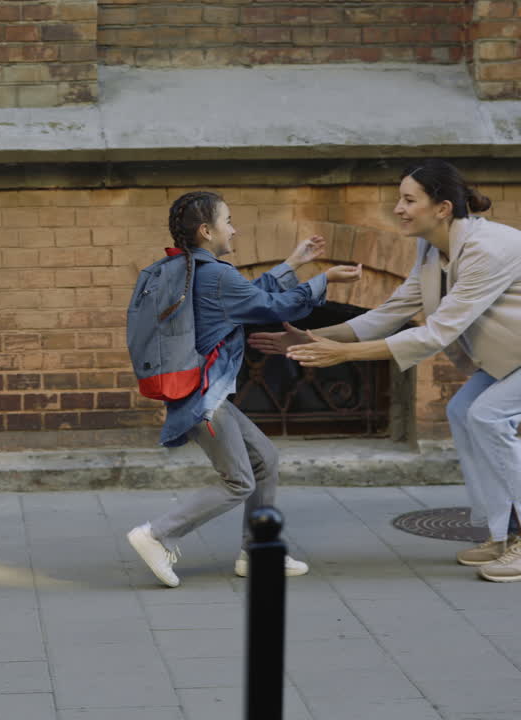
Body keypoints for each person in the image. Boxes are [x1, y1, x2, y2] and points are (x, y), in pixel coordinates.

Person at [250, 159, 521, 583]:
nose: (398, 209)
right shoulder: (431, 248)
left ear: (442, 208)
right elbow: (392, 312)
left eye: (409, 200)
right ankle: (503, 536)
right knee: (463, 410)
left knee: (490, 416)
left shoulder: (485, 250)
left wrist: (345, 354)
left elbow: (436, 334)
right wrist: (309, 339)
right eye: (400, 199)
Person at [126, 190, 362, 588]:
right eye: (228, 221)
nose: (234, 230)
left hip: (206, 391)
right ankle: (157, 535)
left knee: (264, 459)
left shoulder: (190, 268)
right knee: (238, 480)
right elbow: (273, 307)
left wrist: (294, 263)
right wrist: (323, 280)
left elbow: (251, 296)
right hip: (205, 397)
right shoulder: (215, 275)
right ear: (207, 230)